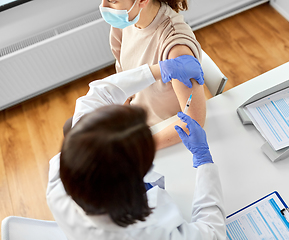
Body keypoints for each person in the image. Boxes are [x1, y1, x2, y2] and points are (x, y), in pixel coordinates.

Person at [47, 58, 226, 239]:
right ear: (130, 183)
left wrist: (159, 70)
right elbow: (212, 233)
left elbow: (101, 93)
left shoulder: (60, 177)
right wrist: (204, 162)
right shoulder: (149, 232)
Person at [100, 0, 206, 150]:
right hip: (138, 124)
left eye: (112, 0)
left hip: (164, 135)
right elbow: (125, 82)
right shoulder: (124, 23)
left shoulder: (175, 48)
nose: (103, 6)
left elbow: (193, 121)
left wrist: (137, 145)